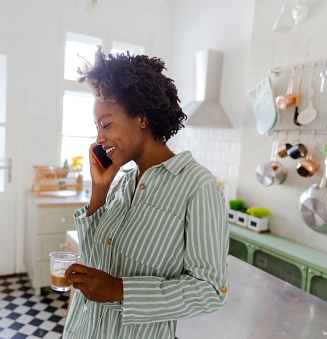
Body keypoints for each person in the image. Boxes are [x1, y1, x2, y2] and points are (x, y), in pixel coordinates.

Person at [63, 46, 229, 339]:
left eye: (106, 124)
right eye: (97, 126)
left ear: (142, 118)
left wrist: (120, 290)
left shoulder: (197, 186)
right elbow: (94, 260)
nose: (99, 138)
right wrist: (100, 188)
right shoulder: (125, 181)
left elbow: (210, 290)